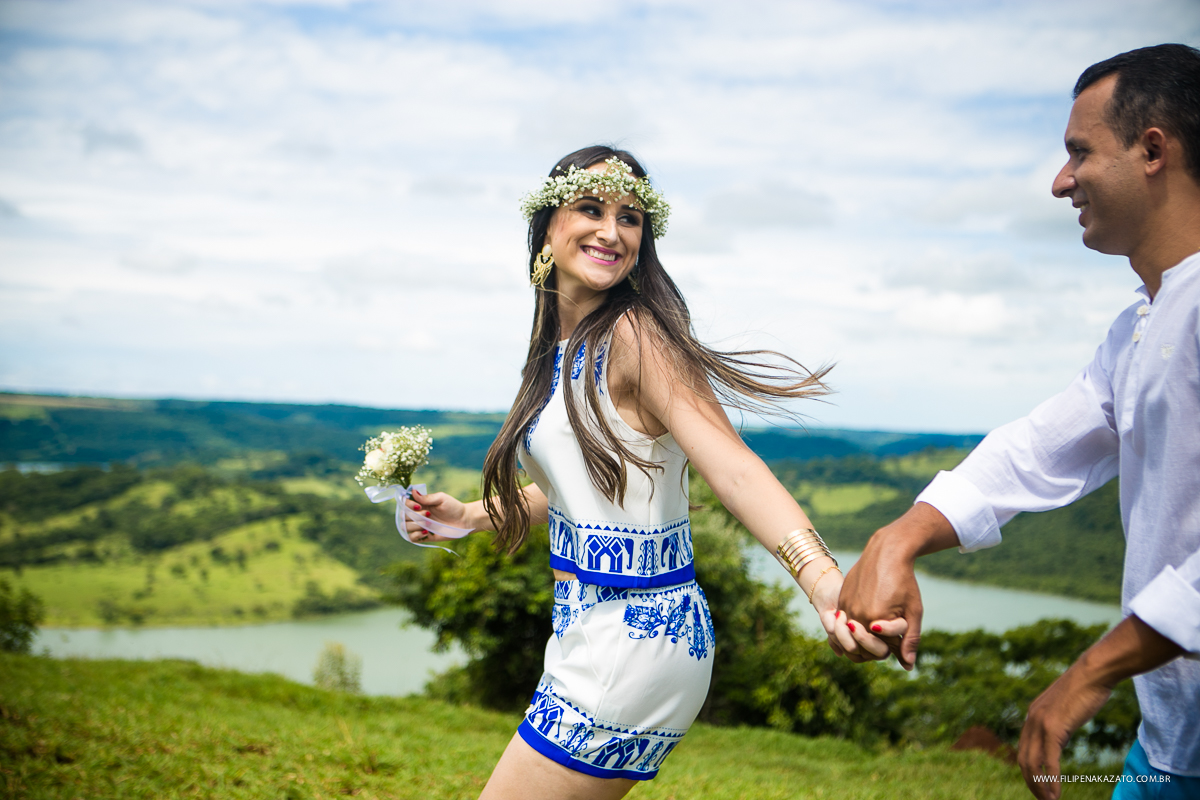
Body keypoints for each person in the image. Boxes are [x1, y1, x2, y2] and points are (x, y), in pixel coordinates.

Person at [402, 145, 898, 799]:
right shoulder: (558, 351)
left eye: (630, 217)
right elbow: (576, 491)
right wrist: (469, 516)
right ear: (546, 228)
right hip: (591, 630)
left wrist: (824, 581)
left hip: (634, 635)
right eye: (591, 208)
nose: (612, 231)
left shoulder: (637, 335)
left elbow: (735, 469)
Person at [836, 44, 1200, 800]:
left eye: (1080, 152)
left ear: (1152, 150)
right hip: (1168, 749)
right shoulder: (1140, 324)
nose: (1061, 181)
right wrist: (899, 537)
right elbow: (1038, 450)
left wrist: (1090, 672)